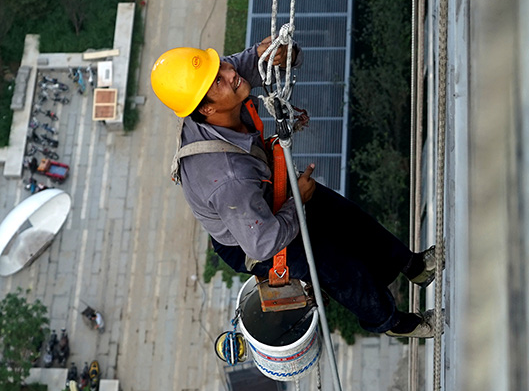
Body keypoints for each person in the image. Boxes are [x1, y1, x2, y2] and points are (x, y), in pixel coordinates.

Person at [151, 38, 439, 338]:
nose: (230, 73)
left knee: (346, 217)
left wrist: (283, 54)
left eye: (220, 66)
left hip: (264, 195)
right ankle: (393, 323)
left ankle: (413, 266)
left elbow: (257, 62)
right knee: (333, 264)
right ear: (207, 110)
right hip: (251, 236)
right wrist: (297, 201)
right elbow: (262, 243)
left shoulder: (217, 84)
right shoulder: (227, 175)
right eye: (218, 81)